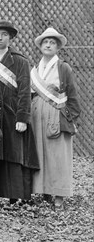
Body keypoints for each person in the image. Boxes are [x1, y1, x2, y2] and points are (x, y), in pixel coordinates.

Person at [0, 20, 39, 205]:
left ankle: (16, 197)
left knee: (15, 155)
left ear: (10, 38)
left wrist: (22, 118)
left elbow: (24, 91)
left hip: (13, 113)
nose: (0, 37)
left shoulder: (20, 60)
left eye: (4, 34)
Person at [30, 28, 81, 208]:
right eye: (45, 42)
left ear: (57, 46)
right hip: (37, 116)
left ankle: (59, 194)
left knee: (58, 155)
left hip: (57, 116)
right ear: (40, 46)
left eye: (52, 42)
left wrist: (71, 118)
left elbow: (72, 94)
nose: (48, 45)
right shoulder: (35, 68)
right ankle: (44, 190)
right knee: (41, 153)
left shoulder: (63, 67)